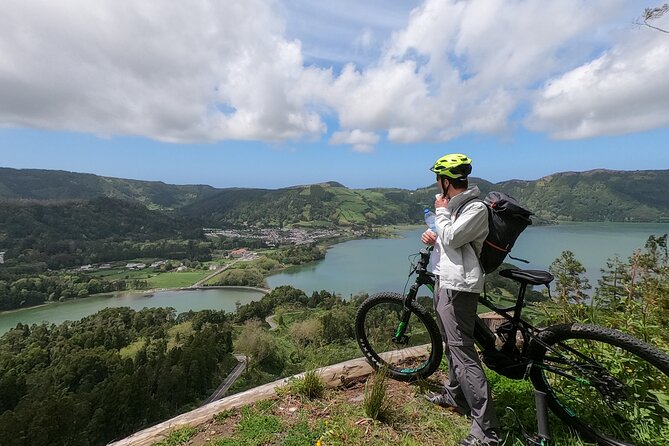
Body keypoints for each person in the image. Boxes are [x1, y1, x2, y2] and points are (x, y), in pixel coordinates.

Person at [421, 153, 500, 446]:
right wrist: (434, 235)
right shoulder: (457, 207)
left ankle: (487, 432)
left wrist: (440, 215)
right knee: (451, 345)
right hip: (445, 281)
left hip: (459, 289)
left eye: (438, 180)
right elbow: (450, 240)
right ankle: (455, 395)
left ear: (445, 182)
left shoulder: (475, 208)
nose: (437, 185)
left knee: (464, 354)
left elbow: (454, 237)